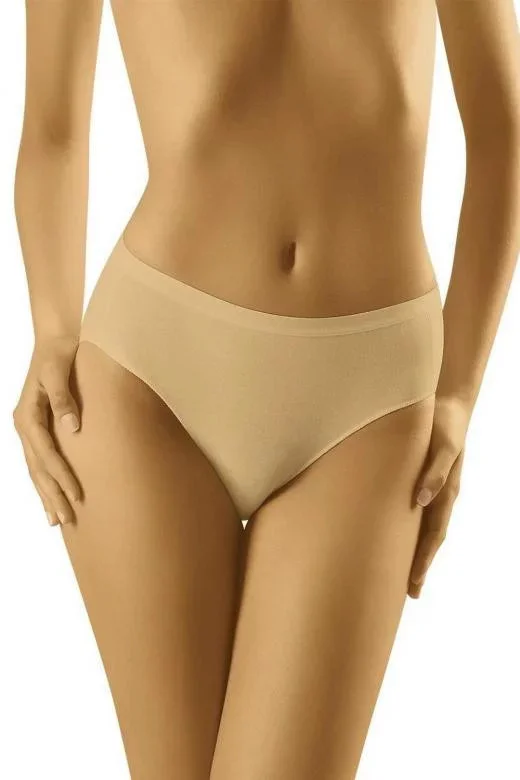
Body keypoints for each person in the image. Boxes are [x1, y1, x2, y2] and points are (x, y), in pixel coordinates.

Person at [12, 1, 520, 778]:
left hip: (372, 398)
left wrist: (459, 392)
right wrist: (52, 329)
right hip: (151, 377)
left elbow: (504, 133)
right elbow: (53, 127)